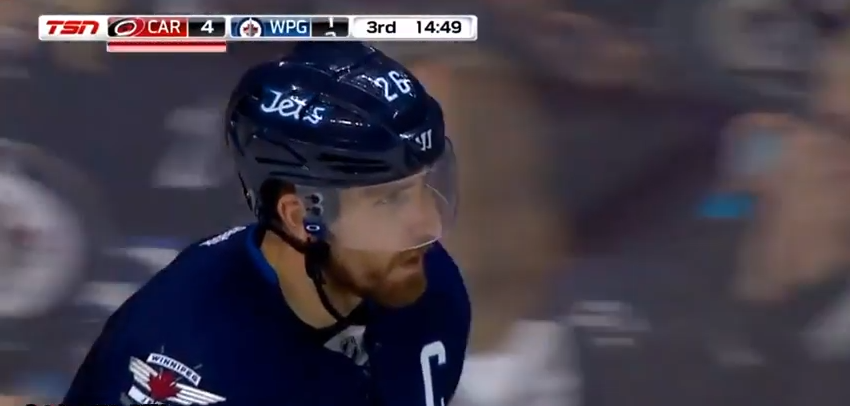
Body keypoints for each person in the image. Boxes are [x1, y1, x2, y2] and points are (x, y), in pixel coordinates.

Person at [62, 42, 470, 406]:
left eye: (426, 187)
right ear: (301, 217)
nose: (427, 223)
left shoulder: (427, 286)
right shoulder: (192, 362)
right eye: (388, 200)